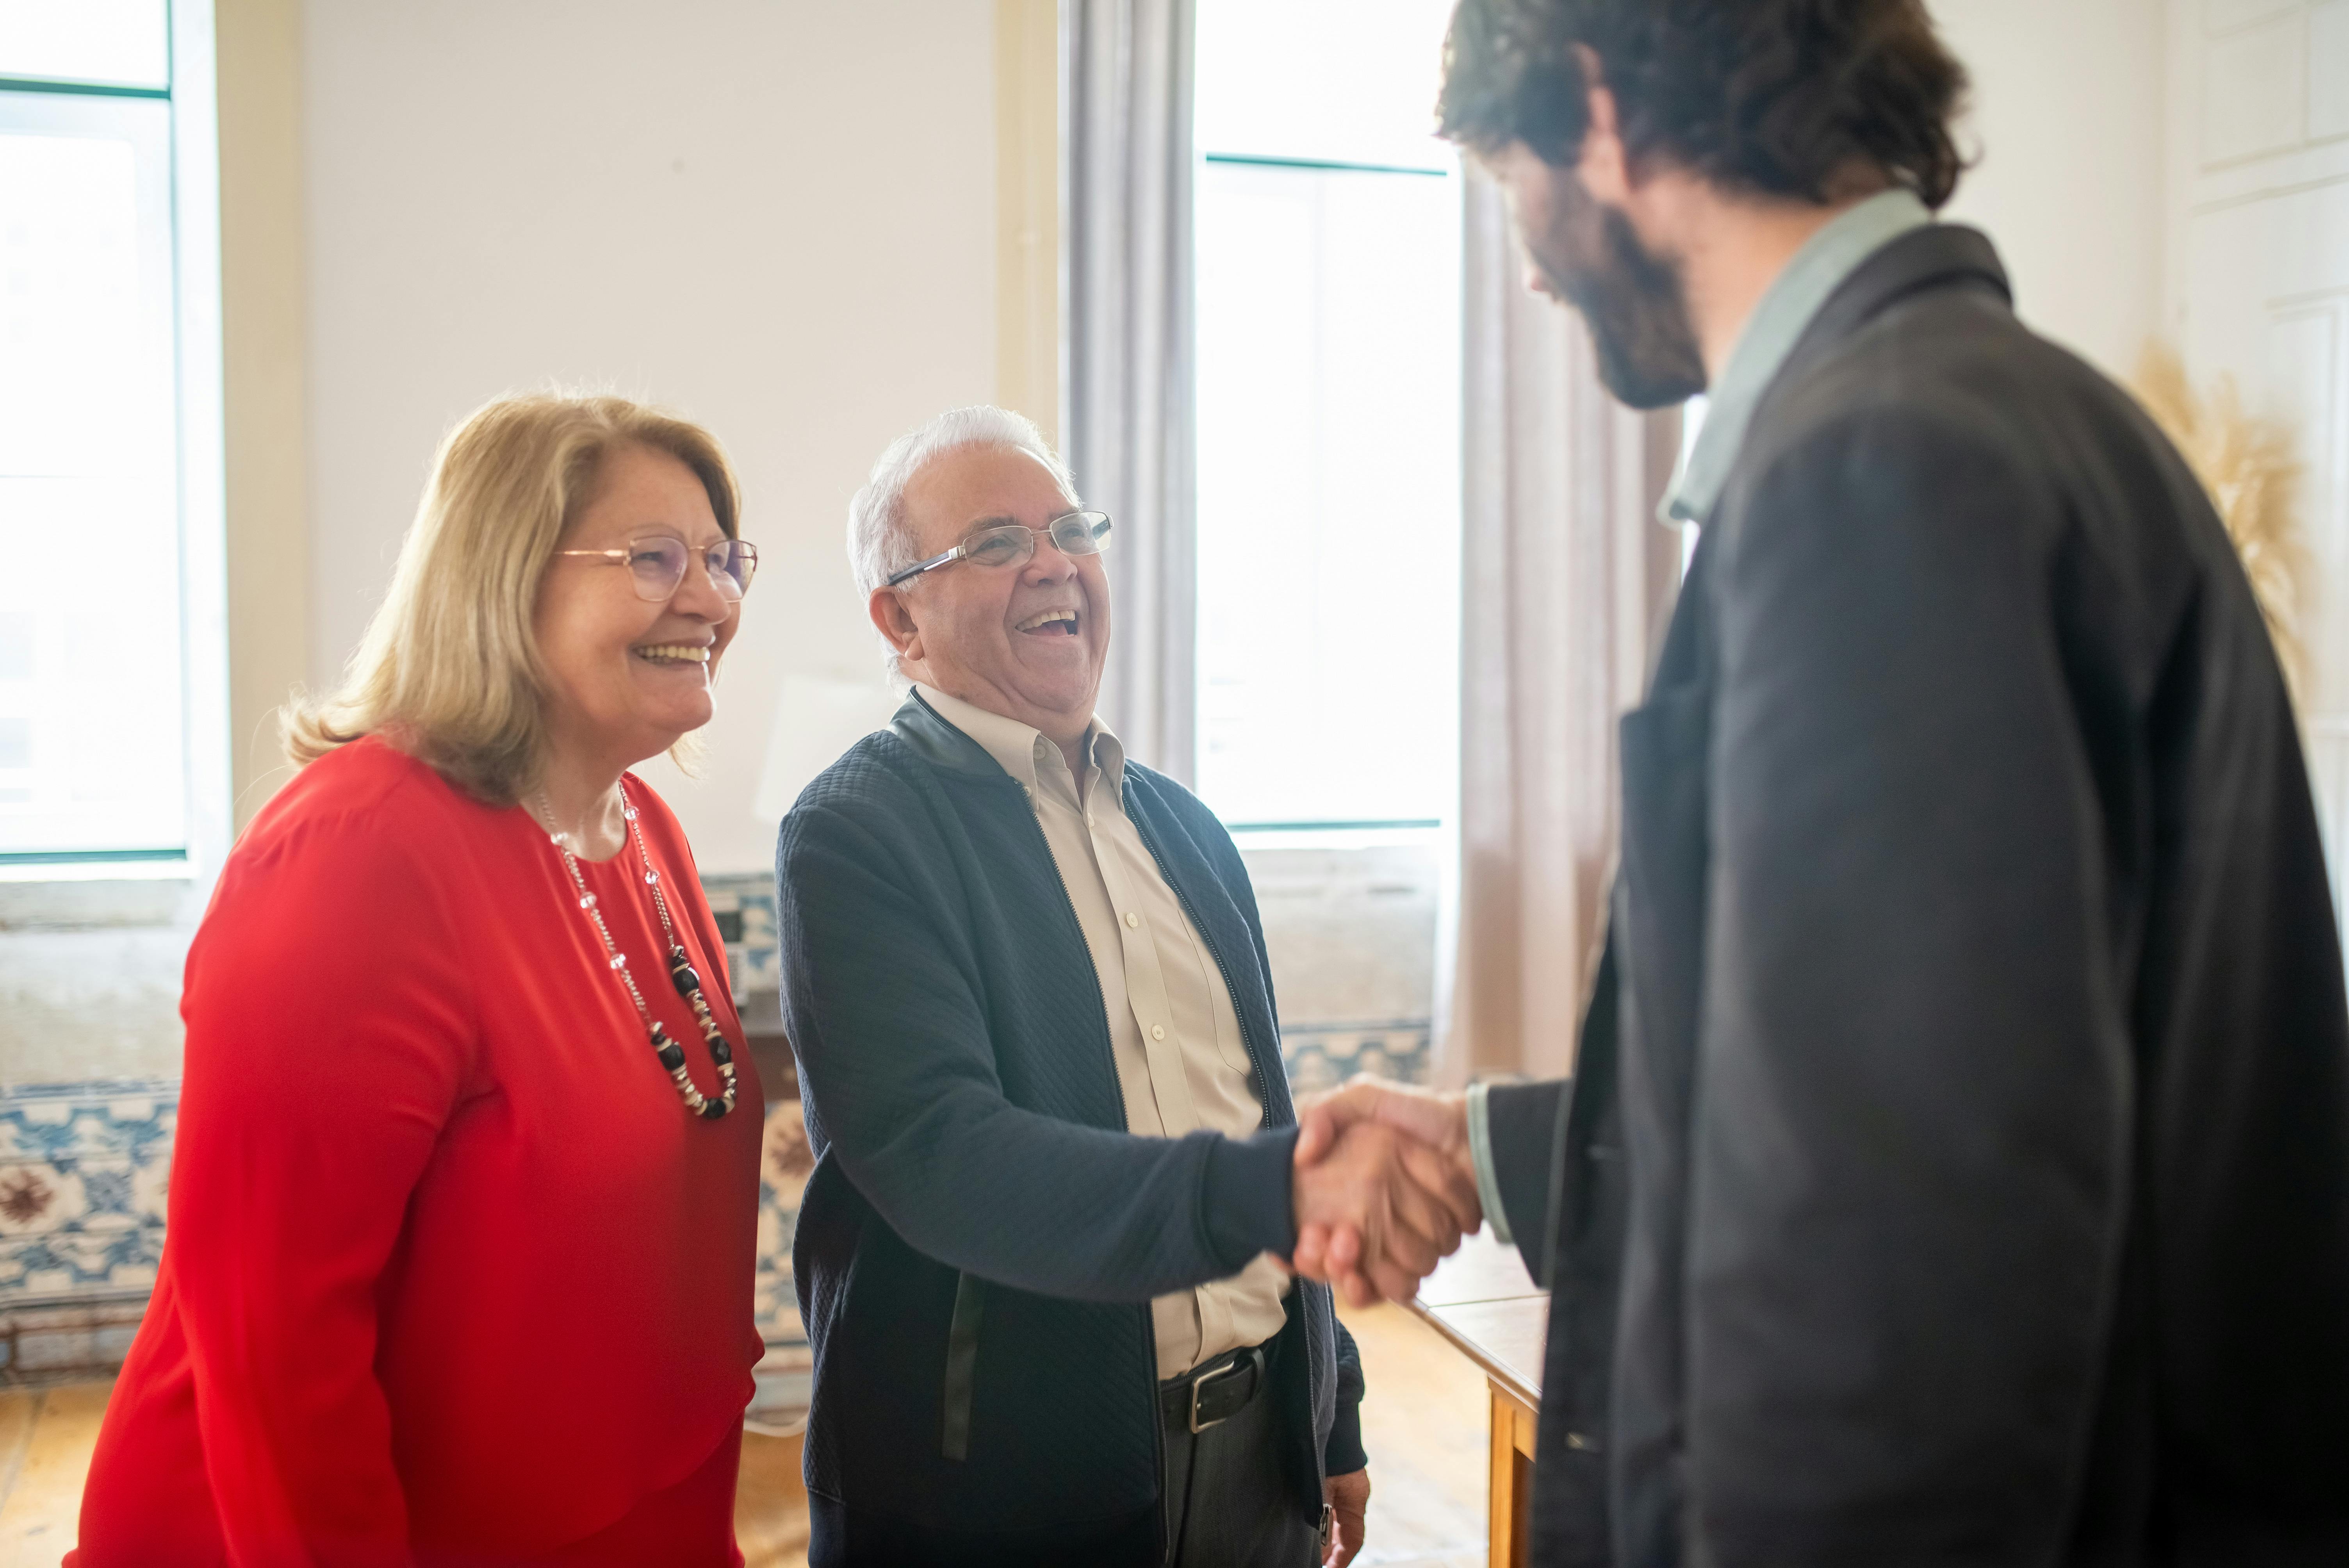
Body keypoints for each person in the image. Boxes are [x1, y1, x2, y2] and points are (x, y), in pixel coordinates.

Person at [1294, 1, 2349, 1564]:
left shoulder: (1880, 475)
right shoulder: (2010, 423)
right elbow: (1928, 1076)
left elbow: (1904, 1298)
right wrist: (1482, 1146)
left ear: (1596, 111)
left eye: (1512, 185)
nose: (1527, 264)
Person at [772, 406, 1477, 1568]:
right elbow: (949, 1159)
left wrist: (1329, 1404)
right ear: (899, 619)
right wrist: (1283, 1189)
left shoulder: (1186, 829)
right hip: (1001, 1498)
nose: (1053, 562)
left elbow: (1256, 1112)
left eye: (1071, 530)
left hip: (1261, 1454)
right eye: (995, 542)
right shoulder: (857, 834)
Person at [72, 393, 768, 1565]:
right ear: (503, 578)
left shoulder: (640, 828)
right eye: (653, 558)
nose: (709, 598)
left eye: (721, 557)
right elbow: (270, 1348)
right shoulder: (357, 857)